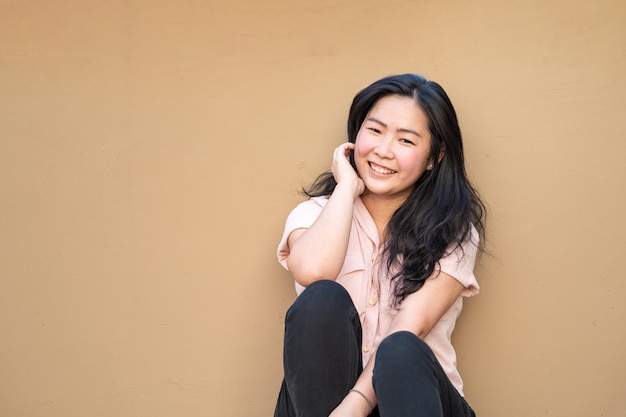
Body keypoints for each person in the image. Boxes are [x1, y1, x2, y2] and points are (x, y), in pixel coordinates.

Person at [273, 73, 486, 417]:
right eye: (374, 131)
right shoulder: (314, 214)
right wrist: (346, 188)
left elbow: (410, 326)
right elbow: (312, 271)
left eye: (406, 141)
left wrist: (354, 407)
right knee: (321, 298)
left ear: (435, 156)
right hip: (320, 406)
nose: (383, 151)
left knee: (401, 349)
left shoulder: (453, 231)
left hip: (414, 405)